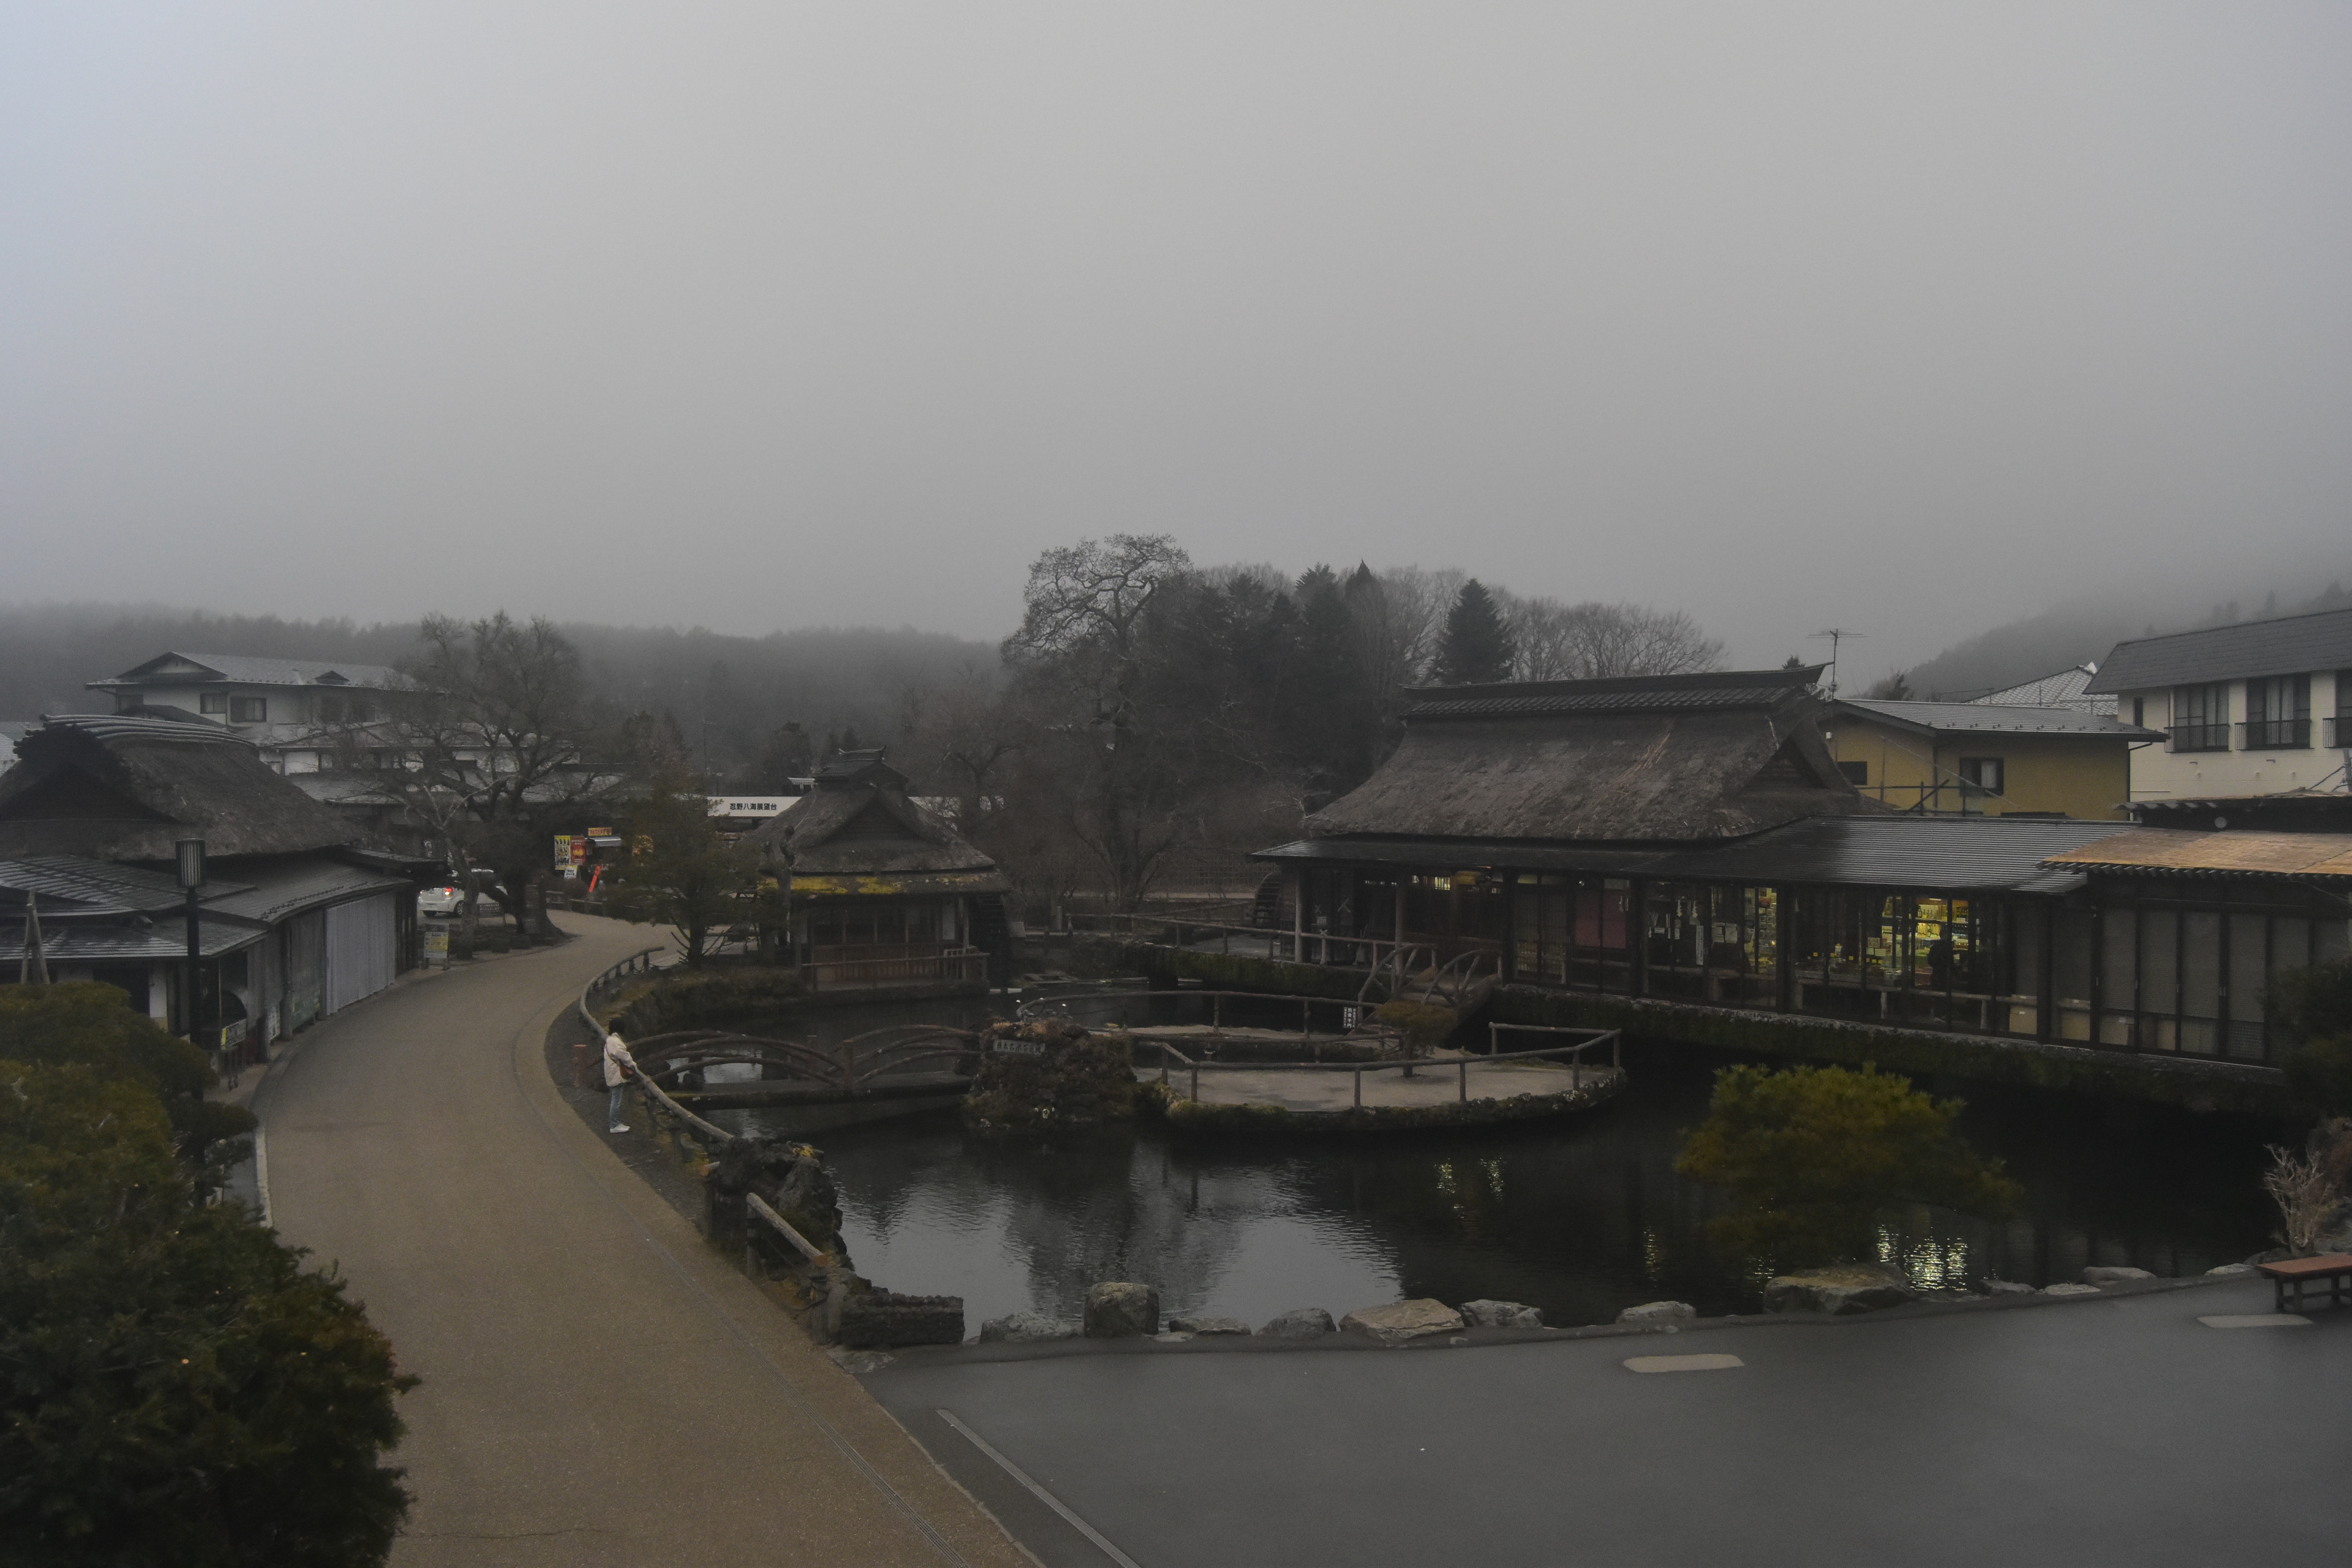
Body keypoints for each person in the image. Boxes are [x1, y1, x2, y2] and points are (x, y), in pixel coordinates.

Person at [603, 1030, 638, 1133]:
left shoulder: (610, 1040)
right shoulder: (615, 1042)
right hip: (616, 1074)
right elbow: (624, 1056)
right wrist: (633, 1066)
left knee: (615, 1099)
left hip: (611, 1072)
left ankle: (616, 1123)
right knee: (616, 1100)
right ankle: (614, 1125)